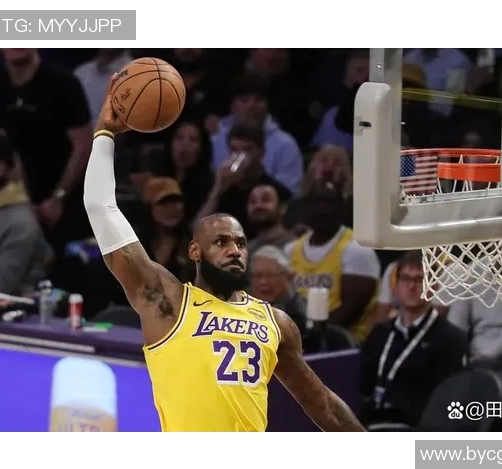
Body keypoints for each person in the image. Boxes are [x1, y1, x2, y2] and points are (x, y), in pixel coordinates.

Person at [83, 74, 365, 432]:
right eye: (221, 242)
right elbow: (101, 208)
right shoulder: (167, 302)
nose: (234, 250)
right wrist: (105, 133)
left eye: (240, 243)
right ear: (195, 251)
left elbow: (320, 402)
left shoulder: (276, 322)